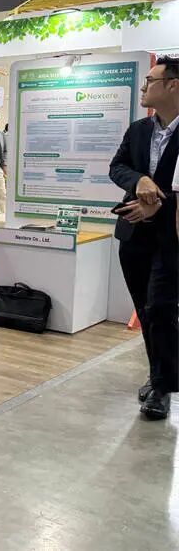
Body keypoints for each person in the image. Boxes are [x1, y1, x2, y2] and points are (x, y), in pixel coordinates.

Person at [109, 55, 179, 421]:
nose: (143, 87)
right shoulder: (138, 129)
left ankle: (163, 388)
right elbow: (117, 166)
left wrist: (157, 206)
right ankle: (158, 376)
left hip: (172, 237)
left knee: (161, 308)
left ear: (172, 85)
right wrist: (139, 180)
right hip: (134, 235)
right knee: (146, 309)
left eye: (150, 81)